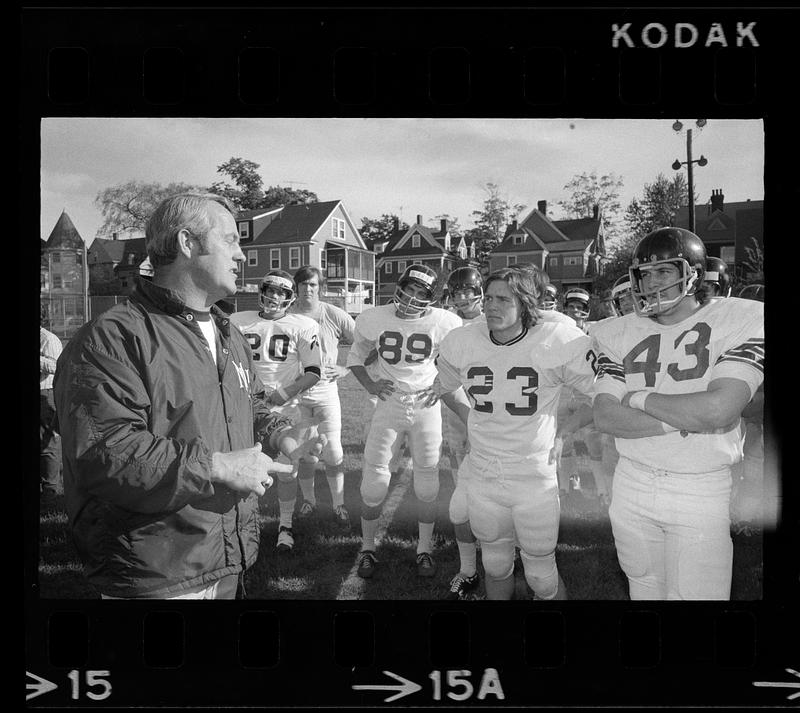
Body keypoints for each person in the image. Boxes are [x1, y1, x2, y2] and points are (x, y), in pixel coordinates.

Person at [53, 193, 314, 600]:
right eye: (230, 240)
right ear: (187, 243)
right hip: (157, 571)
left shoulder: (230, 334)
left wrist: (281, 432)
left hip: (228, 561)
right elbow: (104, 451)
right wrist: (218, 466)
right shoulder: (114, 337)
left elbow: (250, 401)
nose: (242, 255)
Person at [592, 227, 764, 600]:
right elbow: (605, 416)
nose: (651, 283)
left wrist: (637, 398)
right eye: (644, 273)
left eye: (664, 271)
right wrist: (686, 417)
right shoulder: (616, 331)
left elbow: (718, 409)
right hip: (631, 484)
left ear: (694, 273)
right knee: (644, 592)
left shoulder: (739, 318)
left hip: (697, 488)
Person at [435, 266, 596, 600]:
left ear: (524, 303)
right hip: (484, 471)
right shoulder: (463, 340)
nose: (492, 307)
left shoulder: (557, 339)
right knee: (494, 564)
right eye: (489, 298)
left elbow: (605, 395)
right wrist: (471, 418)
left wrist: (565, 428)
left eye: (503, 300)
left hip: (532, 474)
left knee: (540, 573)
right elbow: (447, 388)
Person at [347, 264, 462, 579]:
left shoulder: (445, 322)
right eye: (408, 289)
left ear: (431, 298)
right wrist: (370, 385)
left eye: (420, 293)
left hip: (426, 406)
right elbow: (356, 357)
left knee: (427, 482)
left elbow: (460, 360)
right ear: (399, 287)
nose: (411, 298)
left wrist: (442, 385)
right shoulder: (374, 317)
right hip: (390, 403)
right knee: (373, 484)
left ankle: (424, 549)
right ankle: (368, 549)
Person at [230, 269, 323, 553]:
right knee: (240, 467)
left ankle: (285, 526)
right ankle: (242, 525)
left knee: (286, 471)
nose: (273, 297)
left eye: (281, 292)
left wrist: (281, 394)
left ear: (290, 297)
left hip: (285, 406)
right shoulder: (237, 321)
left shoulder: (303, 324)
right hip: (245, 404)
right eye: (270, 290)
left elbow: (314, 371)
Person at [288, 265, 356, 529]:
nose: (308, 289)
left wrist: (346, 368)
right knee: (305, 453)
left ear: (321, 288)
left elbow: (366, 342)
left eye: (313, 285)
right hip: (297, 393)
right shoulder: (287, 314)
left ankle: (339, 503)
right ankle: (309, 500)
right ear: (296, 287)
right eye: (303, 284)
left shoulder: (332, 314)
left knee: (333, 450)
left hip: (326, 391)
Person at [441, 266, 485, 599]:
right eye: (457, 292)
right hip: (461, 414)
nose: (462, 298)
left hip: (502, 419)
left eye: (467, 291)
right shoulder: (448, 326)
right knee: (462, 497)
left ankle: (508, 551)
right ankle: (468, 567)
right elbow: (445, 381)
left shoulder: (497, 320)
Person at [40, 303, 63, 507]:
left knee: (48, 443)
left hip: (44, 394)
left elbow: (57, 366)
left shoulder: (48, 339)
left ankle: (50, 490)